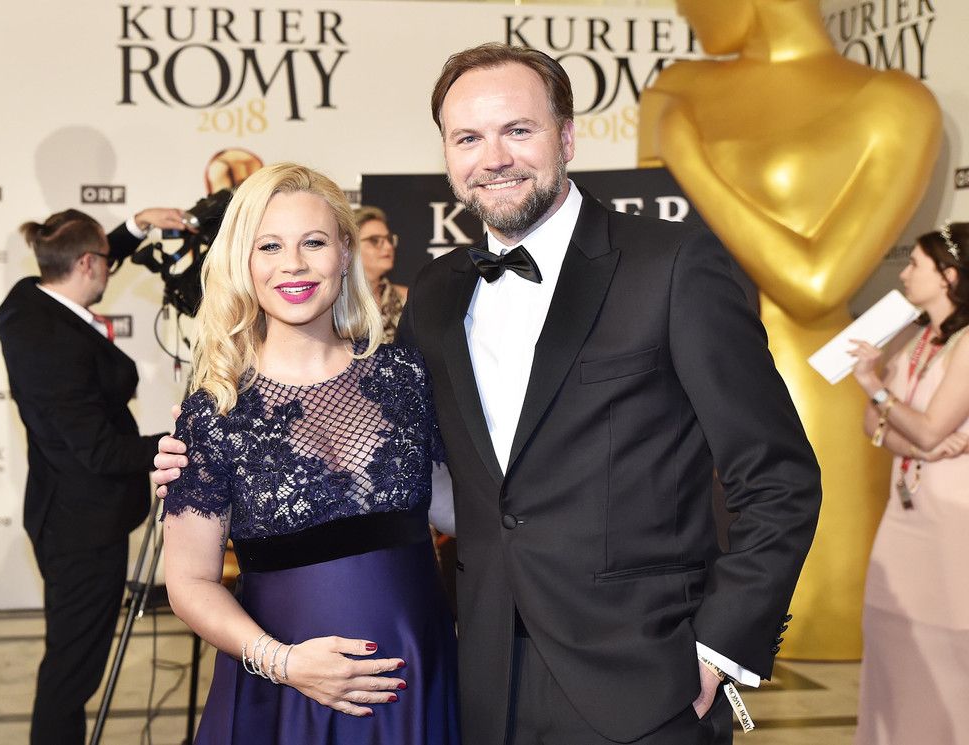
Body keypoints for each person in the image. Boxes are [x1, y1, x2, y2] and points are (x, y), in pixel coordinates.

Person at [155, 44, 820, 745]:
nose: (494, 157)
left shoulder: (673, 265)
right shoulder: (438, 294)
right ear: (447, 153)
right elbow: (437, 478)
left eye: (518, 130)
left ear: (566, 136)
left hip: (643, 675)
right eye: (468, 137)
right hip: (474, 678)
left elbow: (777, 476)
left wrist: (722, 644)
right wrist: (203, 461)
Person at [638, 0, 942, 658]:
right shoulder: (677, 87)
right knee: (674, 610)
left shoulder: (894, 103)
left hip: (811, 385)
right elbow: (653, 249)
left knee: (804, 626)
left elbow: (816, 285)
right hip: (680, 375)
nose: (684, 9)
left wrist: (689, 156)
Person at [160, 163, 460, 744]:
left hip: (415, 681)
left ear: (345, 253)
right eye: (269, 245)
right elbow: (190, 583)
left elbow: (457, 510)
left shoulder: (405, 379)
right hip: (282, 696)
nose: (292, 264)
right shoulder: (215, 413)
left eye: (313, 242)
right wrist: (285, 663)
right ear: (243, 262)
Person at [0, 209, 167, 745]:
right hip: (82, 532)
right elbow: (99, 452)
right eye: (107, 261)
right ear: (89, 264)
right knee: (71, 676)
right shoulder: (55, 343)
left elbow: (80, 255)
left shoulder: (26, 302)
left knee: (69, 667)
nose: (111, 270)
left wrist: (136, 227)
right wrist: (176, 445)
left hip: (69, 515)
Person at [848, 222, 969, 745]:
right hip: (904, 516)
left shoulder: (967, 343)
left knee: (950, 650)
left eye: (915, 264)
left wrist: (876, 388)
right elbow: (874, 427)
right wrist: (916, 446)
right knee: (889, 636)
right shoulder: (916, 339)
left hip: (953, 519)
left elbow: (929, 426)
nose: (903, 274)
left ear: (948, 276)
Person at [354, 206, 407, 342]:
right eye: (375, 240)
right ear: (349, 246)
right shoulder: (334, 303)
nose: (388, 246)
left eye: (389, 239)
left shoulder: (407, 298)